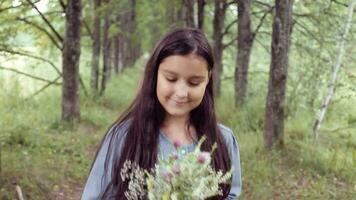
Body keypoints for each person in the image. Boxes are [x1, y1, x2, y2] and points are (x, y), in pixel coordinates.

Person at [81, 28, 242, 200]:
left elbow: (230, 194)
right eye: (171, 79)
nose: (181, 92)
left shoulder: (223, 140)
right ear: (155, 74)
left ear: (208, 79)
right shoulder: (123, 137)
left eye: (194, 82)